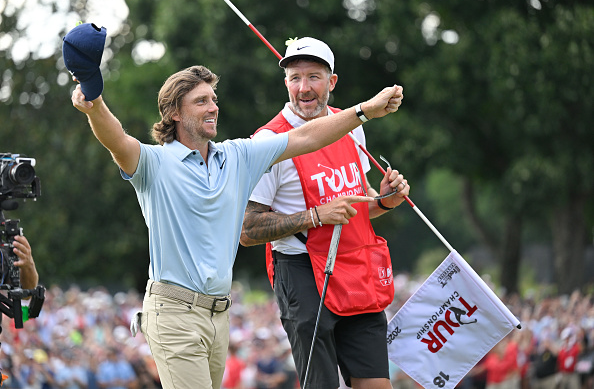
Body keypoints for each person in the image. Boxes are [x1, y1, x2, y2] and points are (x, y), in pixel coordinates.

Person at [69, 37, 403, 389]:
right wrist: (94, 102)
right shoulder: (154, 162)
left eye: (213, 99)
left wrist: (362, 112)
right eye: (201, 102)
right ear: (174, 113)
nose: (213, 107)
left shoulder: (238, 155)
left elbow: (306, 137)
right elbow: (116, 140)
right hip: (173, 312)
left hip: (218, 312)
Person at [240, 37, 409, 389]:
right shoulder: (267, 141)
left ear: (332, 82)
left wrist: (384, 201)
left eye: (314, 77)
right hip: (301, 273)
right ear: (285, 82)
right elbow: (246, 229)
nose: (304, 88)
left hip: (356, 265)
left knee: (377, 383)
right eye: (295, 78)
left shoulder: (351, 125)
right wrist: (314, 216)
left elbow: (355, 207)